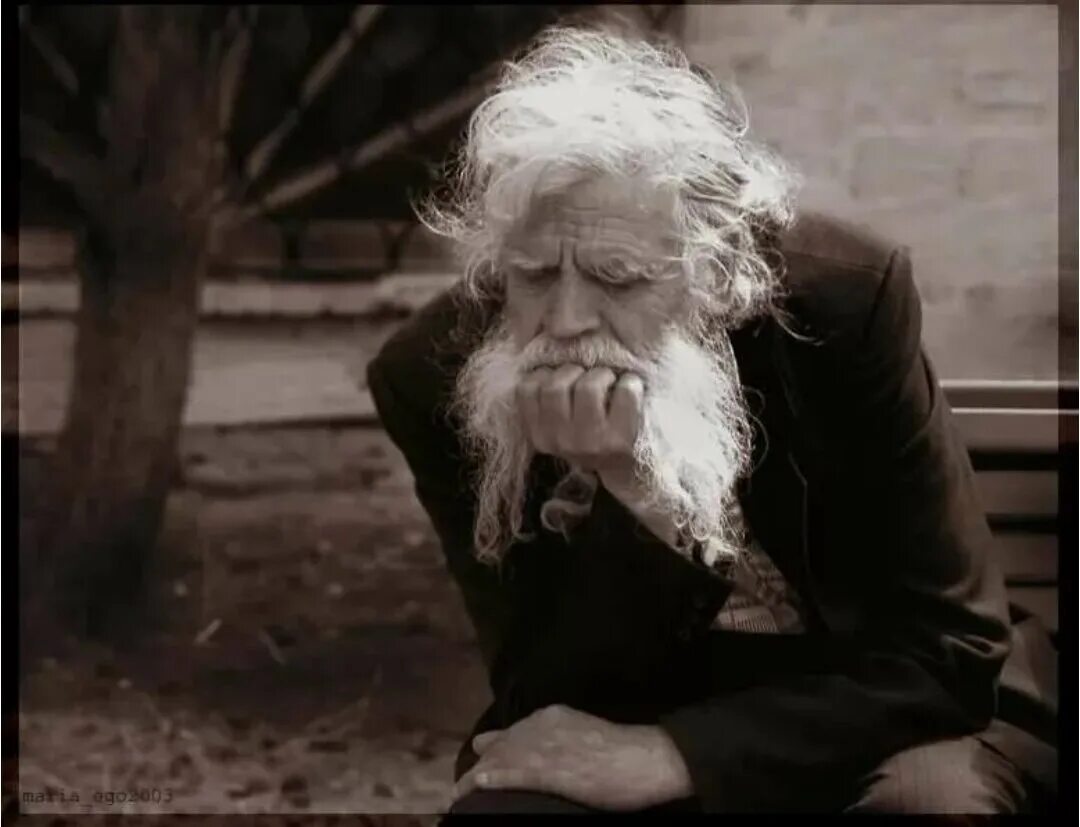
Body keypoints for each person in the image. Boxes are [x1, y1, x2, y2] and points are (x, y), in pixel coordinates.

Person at [366, 24, 1057, 814]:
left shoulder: (845, 304)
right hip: (645, 703)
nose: (565, 318)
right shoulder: (431, 377)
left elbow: (948, 649)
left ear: (718, 275)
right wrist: (628, 489)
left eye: (617, 278)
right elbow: (538, 688)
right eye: (533, 274)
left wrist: (682, 754)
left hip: (892, 709)